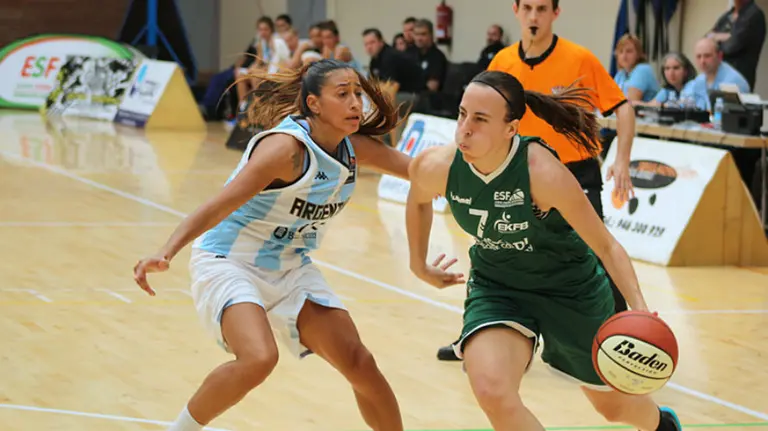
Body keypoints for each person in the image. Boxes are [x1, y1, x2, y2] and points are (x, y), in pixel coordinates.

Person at [133, 59, 412, 431]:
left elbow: (420, 170)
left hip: (289, 264)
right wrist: (166, 250)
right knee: (259, 357)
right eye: (342, 94)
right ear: (313, 104)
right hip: (228, 259)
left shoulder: (353, 148)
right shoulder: (285, 151)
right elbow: (218, 204)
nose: (355, 103)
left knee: (359, 362)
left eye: (357, 94)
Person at [405, 70, 681, 431]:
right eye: (462, 114)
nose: (465, 129)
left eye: (480, 119)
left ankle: (661, 425)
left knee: (613, 409)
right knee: (490, 388)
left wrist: (641, 310)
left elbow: (606, 245)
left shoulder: (541, 173)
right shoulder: (437, 166)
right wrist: (418, 265)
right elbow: (418, 199)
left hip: (570, 290)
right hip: (498, 287)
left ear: (510, 129)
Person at [436, 0, 635, 361]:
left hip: (573, 171)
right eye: (527, 7)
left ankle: (625, 339)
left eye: (542, 9)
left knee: (597, 254)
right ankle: (477, 331)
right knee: (492, 250)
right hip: (517, 175)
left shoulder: (580, 58)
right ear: (515, 10)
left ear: (555, 14)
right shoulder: (502, 63)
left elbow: (622, 107)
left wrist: (621, 158)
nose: (533, 16)